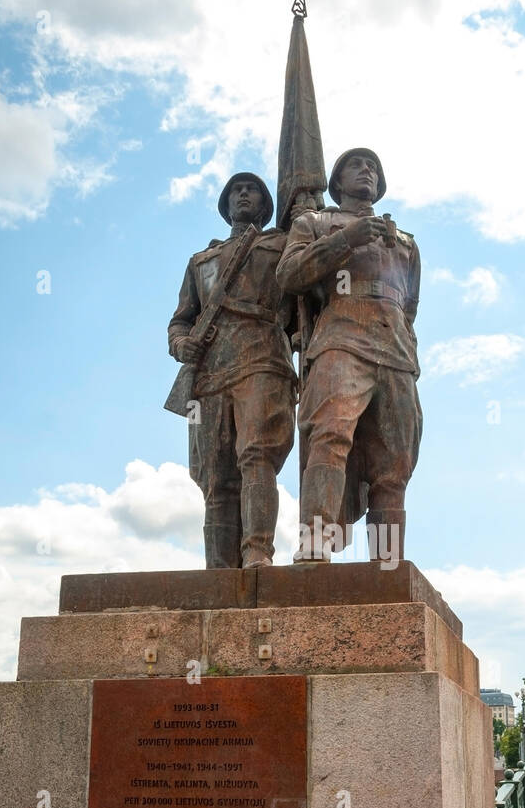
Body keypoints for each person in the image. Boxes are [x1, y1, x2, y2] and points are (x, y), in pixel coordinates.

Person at [276, 147, 421, 563]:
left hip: (395, 350)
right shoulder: (316, 222)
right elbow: (289, 275)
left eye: (373, 166)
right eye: (356, 165)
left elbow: (409, 304)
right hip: (340, 338)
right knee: (330, 436)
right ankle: (315, 545)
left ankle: (387, 562)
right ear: (337, 181)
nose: (367, 171)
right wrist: (344, 240)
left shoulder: (406, 241)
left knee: (394, 464)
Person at [166, 173, 297, 568]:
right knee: (216, 477)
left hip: (263, 359)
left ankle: (257, 553)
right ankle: (219, 570)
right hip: (209, 372)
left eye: (252, 189)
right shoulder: (200, 261)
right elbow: (180, 320)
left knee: (257, 455)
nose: (243, 194)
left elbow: (305, 300)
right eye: (236, 190)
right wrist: (180, 344)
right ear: (225, 205)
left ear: (265, 203)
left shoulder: (282, 246)